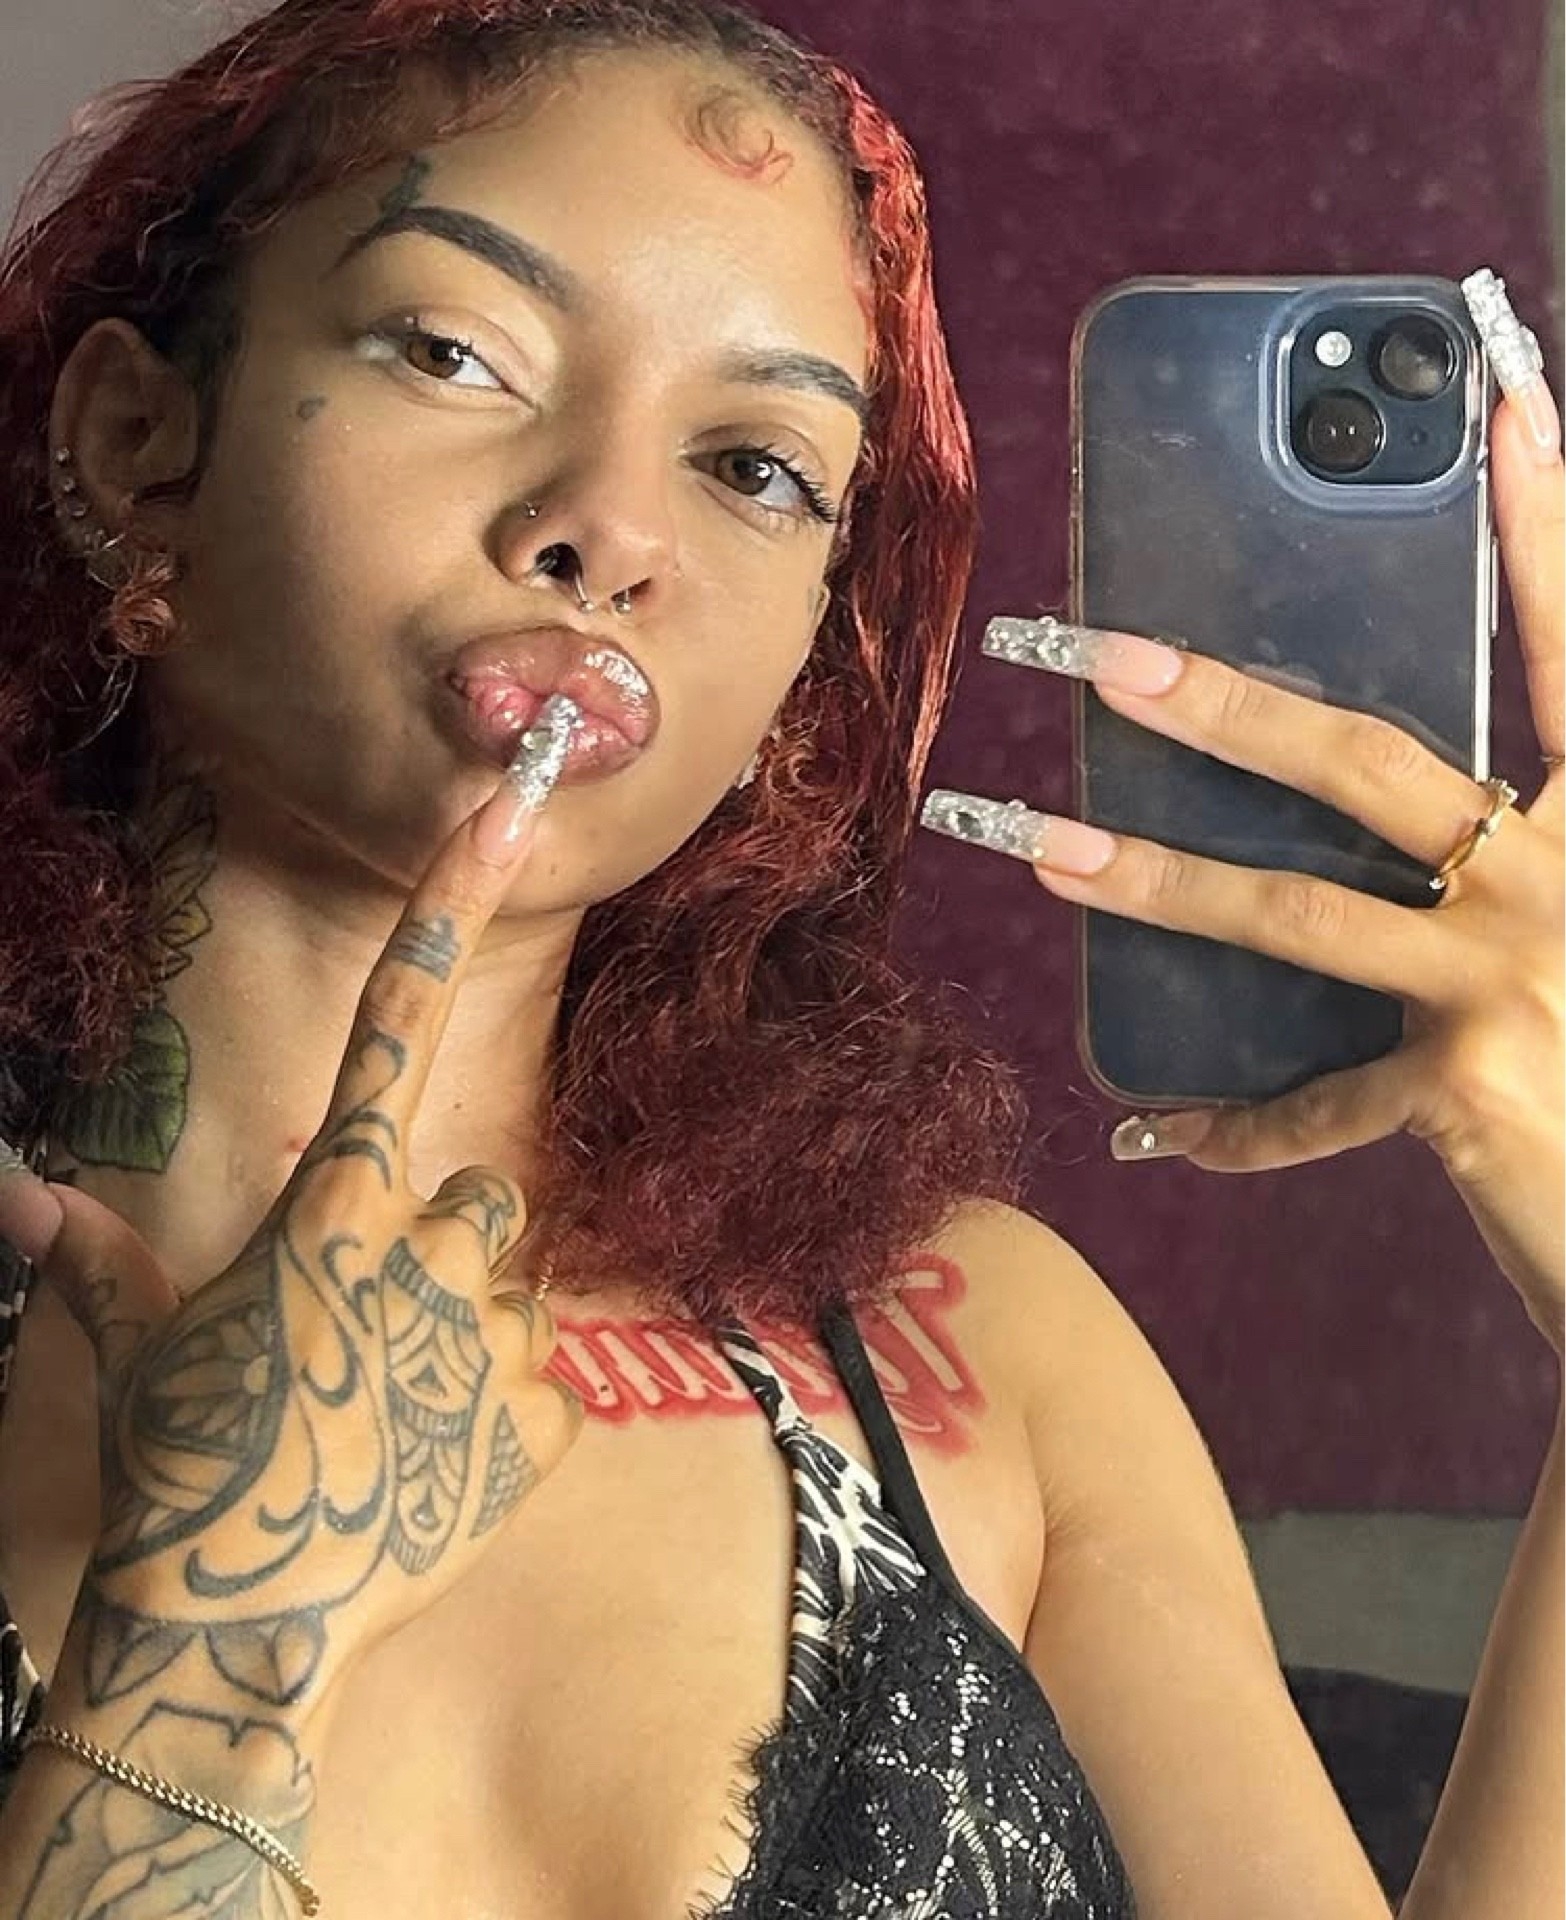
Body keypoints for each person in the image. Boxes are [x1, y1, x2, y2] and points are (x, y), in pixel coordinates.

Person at [0, 1, 1559, 1914]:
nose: (609, 532)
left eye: (752, 465)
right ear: (136, 444)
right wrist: (200, 1661)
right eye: (454, 349)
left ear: (802, 664)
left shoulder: (978, 1350)